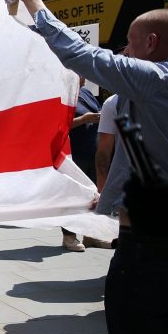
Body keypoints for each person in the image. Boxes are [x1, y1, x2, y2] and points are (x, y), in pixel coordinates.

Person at [9, 0, 168, 334]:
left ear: (150, 46)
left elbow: (80, 55)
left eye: (128, 41)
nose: (122, 51)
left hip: (149, 250)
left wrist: (33, 0)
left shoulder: (158, 80)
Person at [62, 78, 101, 252]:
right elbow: (57, 125)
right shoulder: (63, 96)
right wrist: (84, 119)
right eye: (79, 74)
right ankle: (69, 236)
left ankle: (91, 235)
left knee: (92, 197)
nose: (83, 77)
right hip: (74, 153)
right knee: (72, 197)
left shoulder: (86, 93)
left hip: (92, 150)